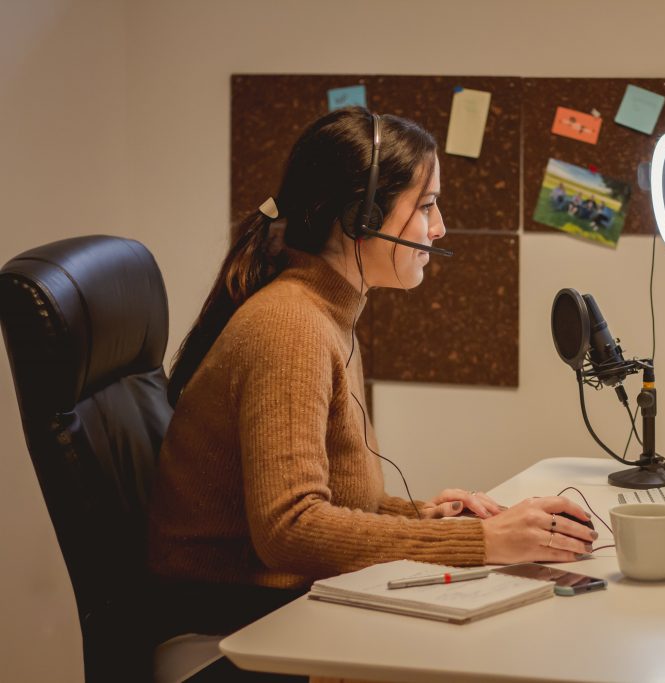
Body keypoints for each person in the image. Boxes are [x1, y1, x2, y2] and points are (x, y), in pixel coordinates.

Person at [147, 107, 596, 643]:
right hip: (238, 626)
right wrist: (484, 543)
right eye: (426, 206)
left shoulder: (326, 311)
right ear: (362, 218)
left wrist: (424, 517)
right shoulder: (291, 326)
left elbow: (325, 498)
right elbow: (289, 531)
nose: (440, 227)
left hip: (276, 606)